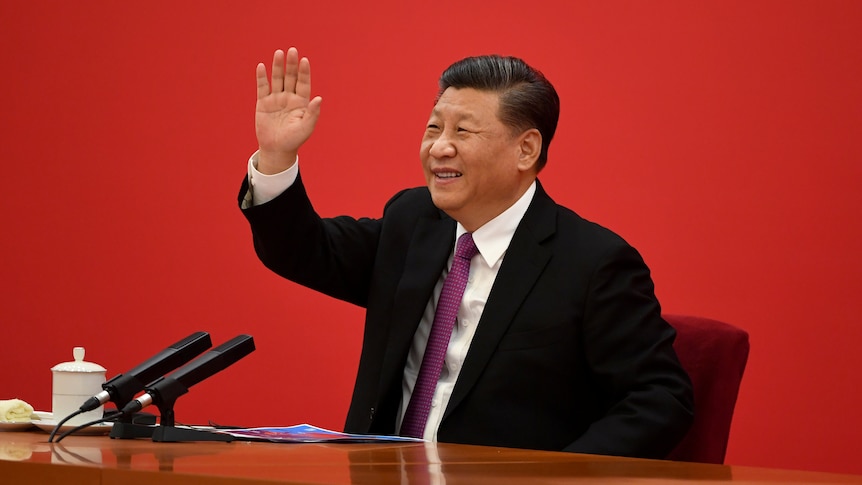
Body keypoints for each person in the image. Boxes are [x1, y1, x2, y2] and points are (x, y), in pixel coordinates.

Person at [239, 47, 694, 459]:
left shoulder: (592, 263)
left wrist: (561, 475)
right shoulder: (412, 222)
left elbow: (660, 398)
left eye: (463, 131)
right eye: (434, 127)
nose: (439, 147)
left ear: (526, 149)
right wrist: (276, 158)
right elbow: (303, 250)